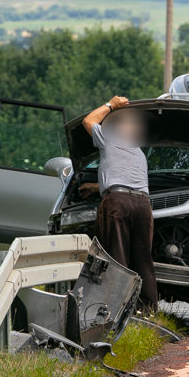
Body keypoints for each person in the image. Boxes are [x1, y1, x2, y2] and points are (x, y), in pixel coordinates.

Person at [79, 96, 158, 311]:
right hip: (143, 205)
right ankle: (147, 314)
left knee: (116, 258)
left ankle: (114, 311)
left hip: (118, 203)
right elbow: (126, 182)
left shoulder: (110, 138)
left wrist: (111, 105)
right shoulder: (138, 152)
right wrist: (96, 187)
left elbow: (88, 121)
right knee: (143, 260)